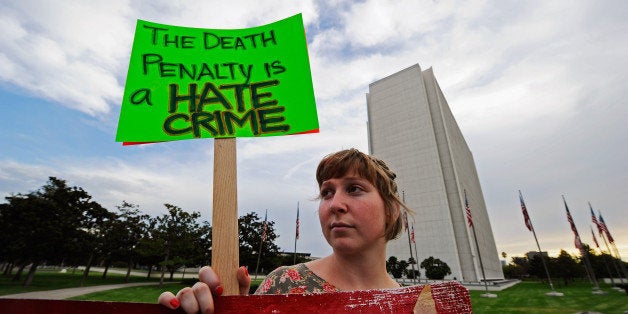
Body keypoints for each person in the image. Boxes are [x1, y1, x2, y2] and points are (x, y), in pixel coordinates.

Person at [159, 148, 412, 313]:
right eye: (327, 192)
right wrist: (230, 308)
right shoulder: (283, 283)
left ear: (390, 210)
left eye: (354, 188)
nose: (335, 204)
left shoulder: (416, 304)